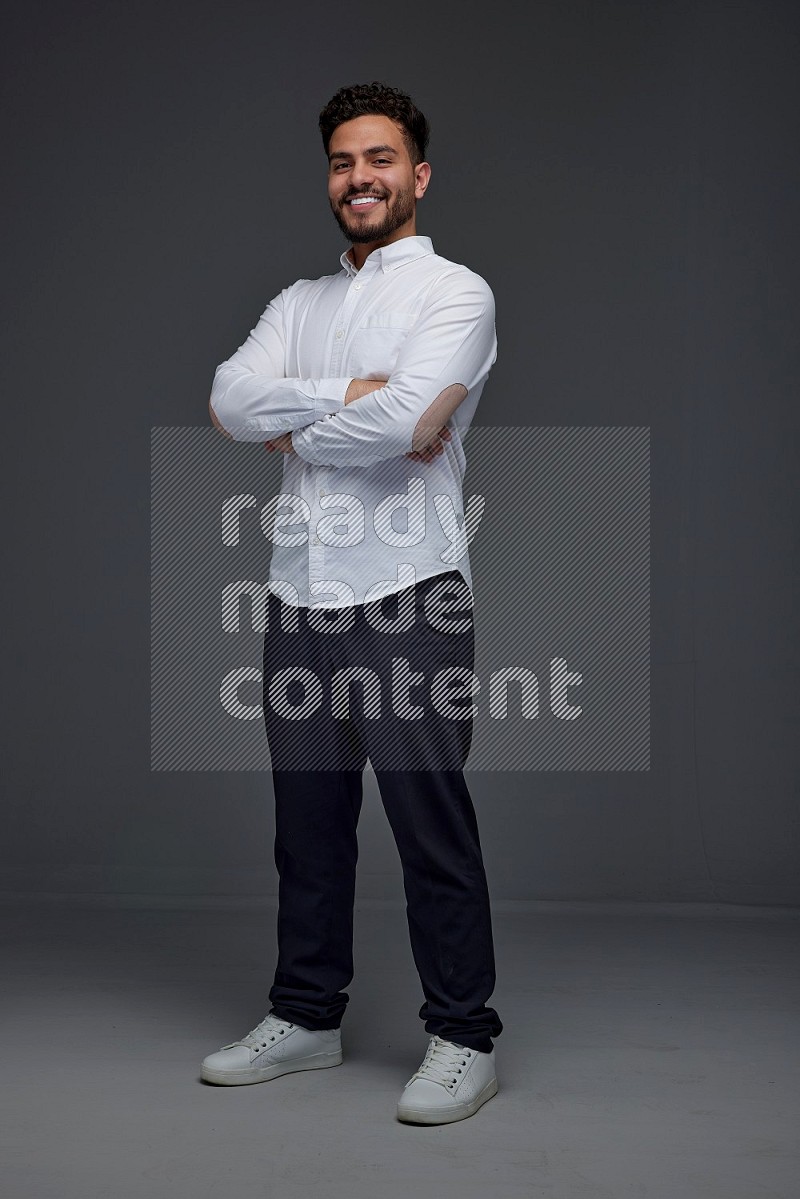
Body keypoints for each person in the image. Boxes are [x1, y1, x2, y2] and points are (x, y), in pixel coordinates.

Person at [202, 81, 503, 1125]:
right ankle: (305, 1015)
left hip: (407, 596)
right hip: (299, 597)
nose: (358, 177)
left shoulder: (456, 293)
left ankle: (462, 1033)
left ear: (416, 175)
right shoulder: (298, 304)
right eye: (341, 161)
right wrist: (354, 400)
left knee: (430, 824)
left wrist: (320, 419)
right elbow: (228, 402)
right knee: (308, 828)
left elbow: (414, 422)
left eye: (378, 159)